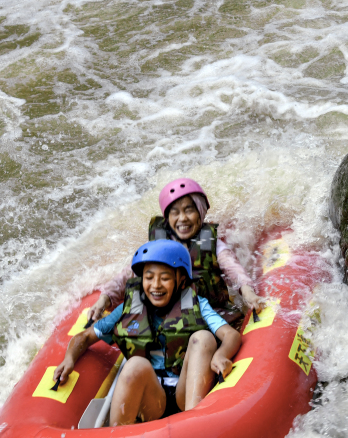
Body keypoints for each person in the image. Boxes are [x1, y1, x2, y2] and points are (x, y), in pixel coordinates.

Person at [54, 240, 242, 425]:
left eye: (165, 278)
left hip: (185, 393)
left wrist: (221, 354)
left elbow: (231, 335)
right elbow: (85, 337)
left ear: (182, 281)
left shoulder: (197, 304)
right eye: (149, 277)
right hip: (152, 400)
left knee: (203, 337)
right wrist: (69, 359)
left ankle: (194, 424)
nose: (156, 285)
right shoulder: (130, 309)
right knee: (135, 364)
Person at [88, 179, 265, 325]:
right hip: (166, 318)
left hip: (206, 316)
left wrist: (248, 291)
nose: (182, 219)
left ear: (200, 212)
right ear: (167, 217)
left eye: (189, 211)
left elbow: (234, 270)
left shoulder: (214, 246)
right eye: (175, 213)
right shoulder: (158, 247)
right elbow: (128, 274)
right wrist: (104, 299)